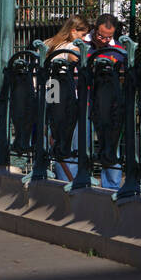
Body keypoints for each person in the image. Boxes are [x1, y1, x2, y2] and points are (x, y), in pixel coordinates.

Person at [44, 14, 90, 183]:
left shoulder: (49, 43)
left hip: (51, 88)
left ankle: (61, 172)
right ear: (73, 31)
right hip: (64, 90)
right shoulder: (73, 46)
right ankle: (71, 178)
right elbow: (78, 60)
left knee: (54, 129)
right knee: (68, 132)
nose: (84, 38)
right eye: (83, 34)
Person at [88, 13, 126, 190]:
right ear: (95, 28)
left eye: (108, 37)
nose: (104, 40)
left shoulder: (118, 49)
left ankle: (112, 186)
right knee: (83, 144)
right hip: (86, 101)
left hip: (109, 104)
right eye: (101, 35)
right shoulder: (83, 45)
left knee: (111, 145)